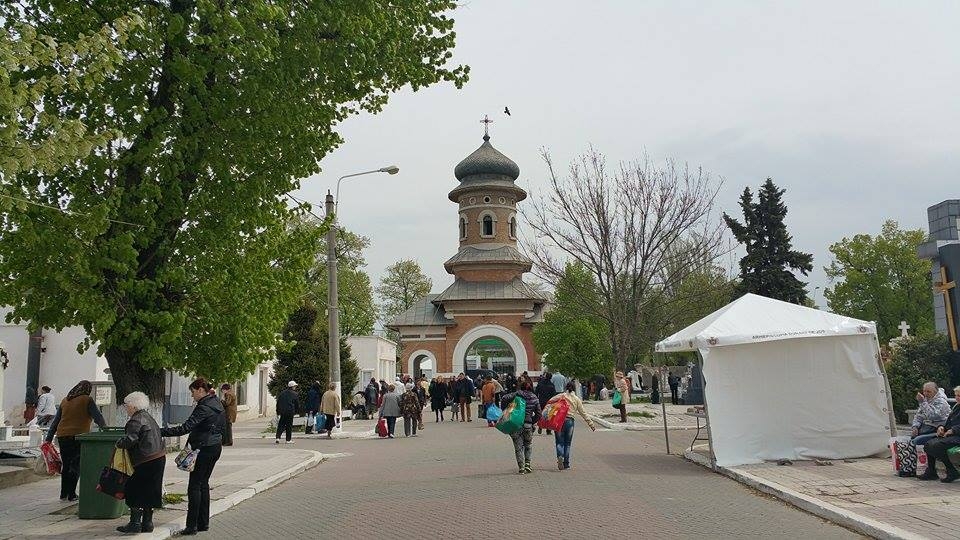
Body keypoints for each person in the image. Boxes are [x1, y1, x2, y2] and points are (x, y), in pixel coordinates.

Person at [160, 378, 225, 535]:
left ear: (201, 390)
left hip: (203, 448)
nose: (192, 395)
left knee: (195, 486)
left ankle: (191, 526)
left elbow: (185, 428)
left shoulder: (203, 407)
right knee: (203, 484)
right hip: (215, 447)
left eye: (193, 392)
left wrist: (161, 431)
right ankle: (203, 523)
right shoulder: (217, 403)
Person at [44, 380, 107, 501]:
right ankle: (72, 494)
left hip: (62, 436)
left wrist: (48, 439)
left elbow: (56, 421)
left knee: (66, 465)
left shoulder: (65, 400)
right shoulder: (87, 400)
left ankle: (63, 493)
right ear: (87, 390)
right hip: (78, 436)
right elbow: (98, 417)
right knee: (76, 465)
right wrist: (105, 429)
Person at [115, 391, 165, 534]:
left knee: (133, 489)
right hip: (158, 457)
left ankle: (135, 523)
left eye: (127, 405)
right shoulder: (148, 417)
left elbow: (131, 439)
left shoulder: (136, 420)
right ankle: (147, 523)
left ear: (134, 406)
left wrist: (119, 443)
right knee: (150, 491)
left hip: (145, 459)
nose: (126, 408)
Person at [898, 382, 951, 477]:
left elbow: (933, 416)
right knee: (908, 440)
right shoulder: (926, 400)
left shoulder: (941, 402)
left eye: (928, 391)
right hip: (926, 429)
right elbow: (918, 416)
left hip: (938, 430)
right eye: (924, 391)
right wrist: (915, 426)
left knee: (918, 441)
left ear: (936, 392)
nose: (925, 394)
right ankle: (909, 468)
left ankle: (924, 469)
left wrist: (923, 402)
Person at [550, 381, 597, 470]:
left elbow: (551, 401)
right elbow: (583, 413)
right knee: (567, 444)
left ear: (566, 388)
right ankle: (566, 463)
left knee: (559, 442)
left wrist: (555, 407)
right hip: (570, 422)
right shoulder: (576, 399)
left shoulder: (561, 396)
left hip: (559, 421)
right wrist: (591, 424)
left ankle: (560, 456)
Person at [500, 377, 541, 474]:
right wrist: (531, 420)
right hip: (528, 425)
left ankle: (521, 467)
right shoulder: (535, 398)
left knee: (518, 447)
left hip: (516, 424)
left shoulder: (517, 394)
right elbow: (539, 414)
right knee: (528, 445)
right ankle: (528, 464)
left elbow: (504, 398)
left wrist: (505, 411)